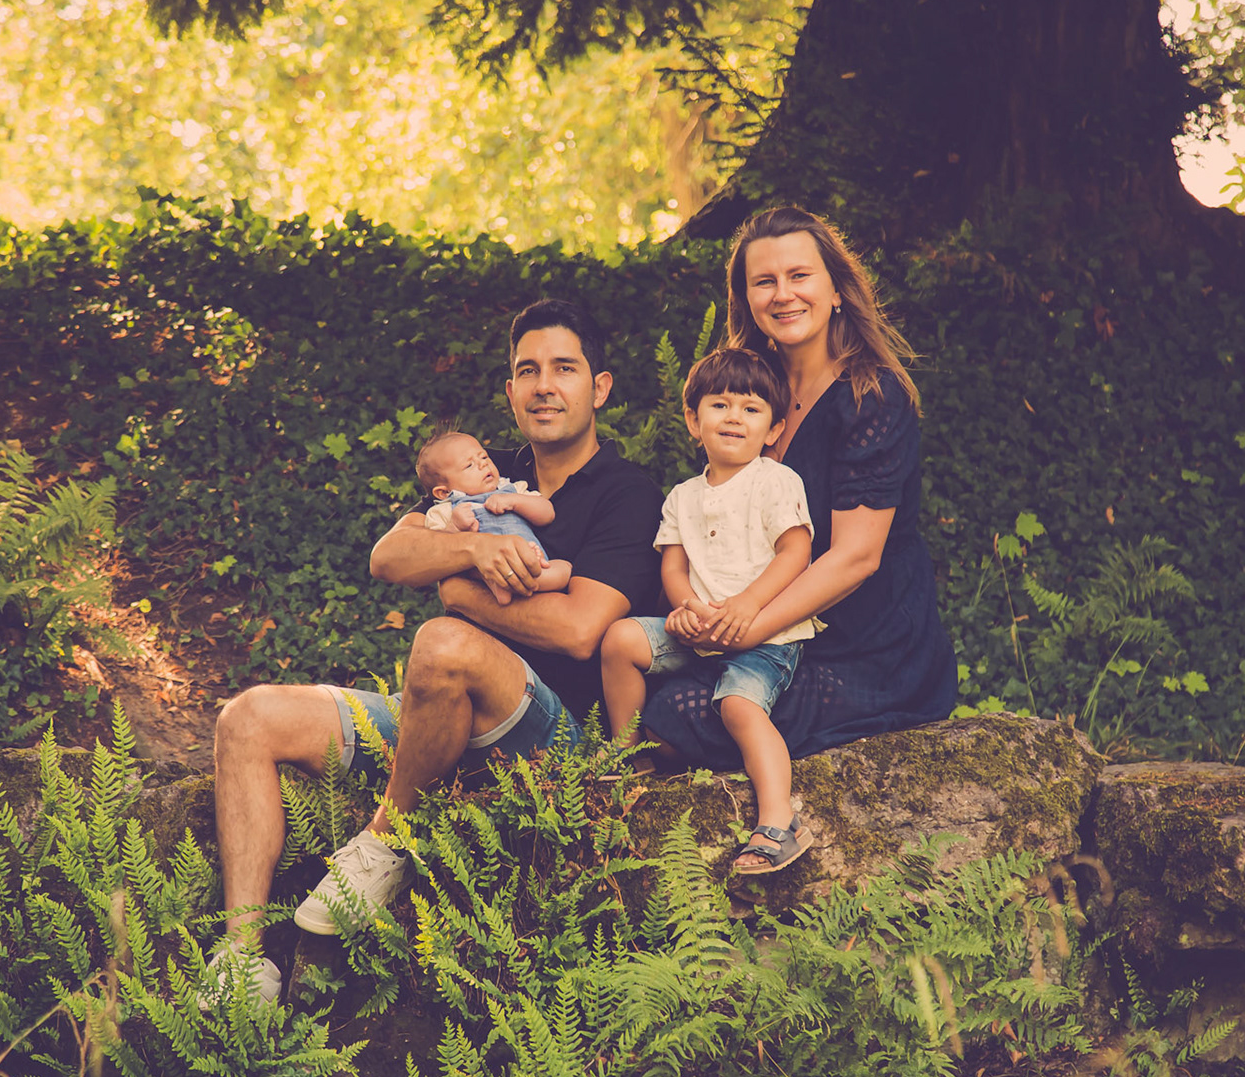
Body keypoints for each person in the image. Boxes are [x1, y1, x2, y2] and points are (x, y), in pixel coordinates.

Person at [207, 299, 662, 1003]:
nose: (544, 386)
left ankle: (384, 841)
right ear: (510, 390)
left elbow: (579, 629)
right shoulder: (485, 470)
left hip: (549, 729)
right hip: (440, 710)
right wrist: (473, 552)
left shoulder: (626, 493)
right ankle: (242, 966)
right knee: (247, 717)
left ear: (598, 388)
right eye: (528, 371)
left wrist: (461, 594)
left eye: (564, 369)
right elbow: (390, 556)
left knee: (444, 638)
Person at [638, 208, 956, 865]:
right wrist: (705, 613)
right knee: (651, 687)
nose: (783, 294)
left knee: (685, 713)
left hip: (862, 646)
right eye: (765, 281)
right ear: (746, 299)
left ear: (836, 288)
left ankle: (779, 826)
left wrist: (745, 628)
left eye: (800, 276)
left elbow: (856, 557)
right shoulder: (751, 387)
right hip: (762, 626)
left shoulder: (872, 397)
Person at [600, 347, 818, 874]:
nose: (734, 417)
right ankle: (629, 758)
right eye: (720, 405)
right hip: (699, 628)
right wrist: (686, 608)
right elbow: (674, 567)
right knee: (620, 641)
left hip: (766, 635)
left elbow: (796, 552)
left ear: (774, 428)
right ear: (693, 421)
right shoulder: (682, 495)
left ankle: (778, 820)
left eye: (751, 408)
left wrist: (748, 605)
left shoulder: (775, 480)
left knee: (739, 707)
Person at [413, 428, 573, 605]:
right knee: (473, 572)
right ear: (443, 492)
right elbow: (437, 551)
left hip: (531, 559)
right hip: (488, 569)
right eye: (469, 465)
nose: (483, 465)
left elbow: (547, 514)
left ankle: (510, 585)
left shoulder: (512, 489)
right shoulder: (445, 511)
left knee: (565, 569)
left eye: (483, 457)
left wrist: (514, 501)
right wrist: (455, 526)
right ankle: (503, 582)